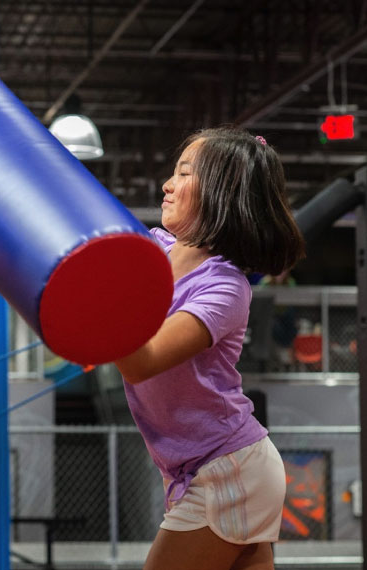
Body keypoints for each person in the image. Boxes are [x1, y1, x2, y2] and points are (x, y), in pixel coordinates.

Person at [115, 127, 305, 570]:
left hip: (226, 469)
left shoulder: (224, 286)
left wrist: (94, 310)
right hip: (208, 470)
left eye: (183, 174)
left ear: (221, 192)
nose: (167, 184)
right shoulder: (151, 247)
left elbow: (141, 362)